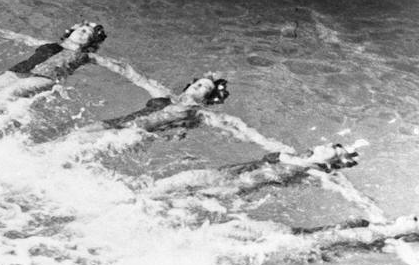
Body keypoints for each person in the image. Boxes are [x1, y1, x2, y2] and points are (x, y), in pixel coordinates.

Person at [151, 140, 361, 199]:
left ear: (330, 164)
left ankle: (148, 200)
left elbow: (342, 187)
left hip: (239, 185)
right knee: (184, 180)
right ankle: (146, 194)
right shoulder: (296, 156)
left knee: (185, 195)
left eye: (334, 150)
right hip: (234, 173)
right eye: (334, 144)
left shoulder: (313, 171)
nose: (328, 146)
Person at [0, 20, 107, 105]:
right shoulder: (50, 44)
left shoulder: (86, 56)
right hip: (22, 70)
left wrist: (126, 71)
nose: (82, 33)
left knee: (10, 91)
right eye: (82, 29)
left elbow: (110, 63)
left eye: (88, 34)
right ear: (72, 31)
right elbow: (16, 36)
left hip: (47, 77)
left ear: (90, 43)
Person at [96, 73, 230, 136]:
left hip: (128, 134)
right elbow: (136, 77)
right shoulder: (165, 94)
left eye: (204, 87)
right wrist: (99, 60)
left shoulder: (198, 113)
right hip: (115, 123)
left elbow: (232, 125)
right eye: (198, 83)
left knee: (81, 141)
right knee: (76, 135)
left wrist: (251, 136)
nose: (197, 86)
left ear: (207, 98)